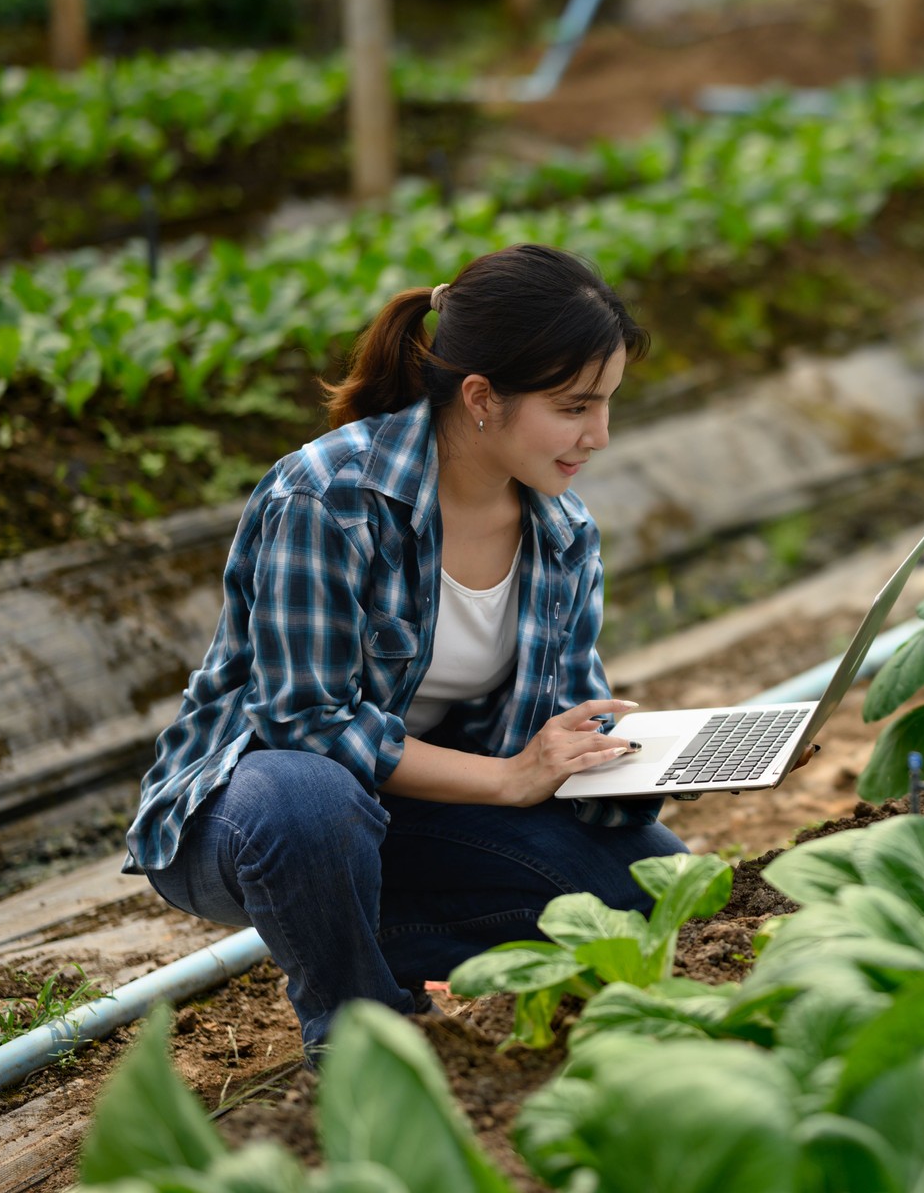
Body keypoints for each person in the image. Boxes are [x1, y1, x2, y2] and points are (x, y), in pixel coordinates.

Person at [123, 244, 688, 1053]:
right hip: (249, 814)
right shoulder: (331, 497)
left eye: (607, 404)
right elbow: (304, 721)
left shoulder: (563, 534)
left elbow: (550, 741)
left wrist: (657, 763)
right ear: (482, 397)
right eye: (573, 406)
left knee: (647, 896)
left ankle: (375, 938)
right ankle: (360, 1031)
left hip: (418, 815)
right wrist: (506, 778)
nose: (598, 435)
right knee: (311, 799)